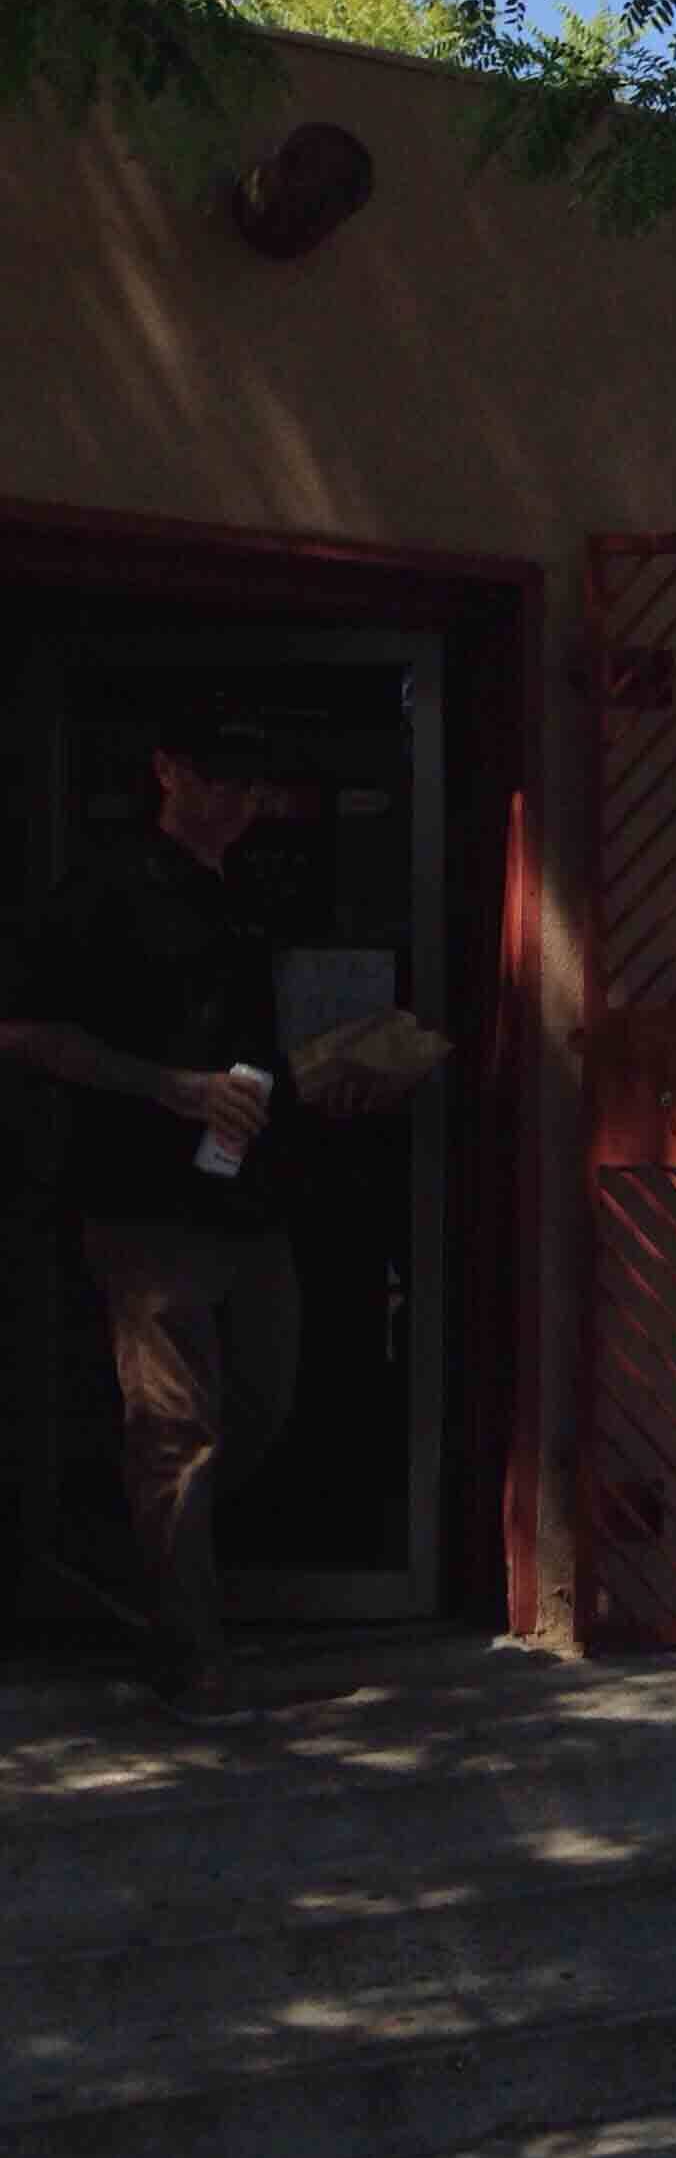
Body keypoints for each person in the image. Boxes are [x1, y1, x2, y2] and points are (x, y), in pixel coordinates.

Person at [0, 718, 381, 1723]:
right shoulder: (104, 891)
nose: (243, 802)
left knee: (263, 1403)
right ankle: (190, 1651)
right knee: (178, 1428)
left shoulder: (254, 892)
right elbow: (25, 1029)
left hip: (252, 1195)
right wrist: (167, 1088)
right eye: (223, 779)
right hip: (144, 1198)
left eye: (255, 784)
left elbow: (267, 1047)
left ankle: (117, 1554)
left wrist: (337, 1081)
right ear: (167, 770)